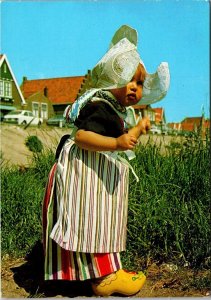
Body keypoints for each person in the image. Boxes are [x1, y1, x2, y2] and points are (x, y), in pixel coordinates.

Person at [42, 25, 170, 296]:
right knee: (91, 220)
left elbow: (119, 138)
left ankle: (86, 273)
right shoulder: (99, 104)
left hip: (97, 174)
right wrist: (115, 143)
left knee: (100, 222)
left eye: (139, 83)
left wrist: (135, 131)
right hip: (85, 174)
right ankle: (104, 277)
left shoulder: (114, 109)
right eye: (130, 81)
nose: (135, 89)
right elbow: (83, 137)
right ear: (113, 78)